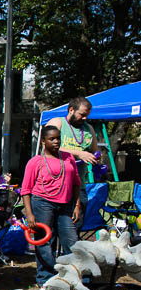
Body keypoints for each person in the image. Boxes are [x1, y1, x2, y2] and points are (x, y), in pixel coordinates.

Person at [20, 125, 82, 288]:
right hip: (42, 203)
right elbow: (25, 190)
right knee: (44, 241)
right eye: (51, 139)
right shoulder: (35, 162)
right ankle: (46, 278)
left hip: (66, 205)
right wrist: (29, 214)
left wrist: (77, 205)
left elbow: (76, 183)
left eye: (58, 138)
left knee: (72, 241)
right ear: (43, 141)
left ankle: (72, 275)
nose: (56, 142)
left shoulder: (68, 158)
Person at [46, 96, 99, 229]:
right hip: (54, 185)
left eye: (87, 115)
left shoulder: (89, 129)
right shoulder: (57, 123)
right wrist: (79, 153)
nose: (85, 118)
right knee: (50, 228)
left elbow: (94, 151)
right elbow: (47, 146)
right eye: (82, 114)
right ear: (71, 110)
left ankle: (71, 250)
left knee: (75, 226)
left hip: (78, 185)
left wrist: (96, 158)